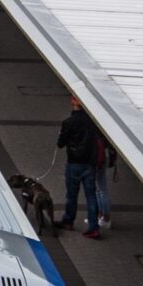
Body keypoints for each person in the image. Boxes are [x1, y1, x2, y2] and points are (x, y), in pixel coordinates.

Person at [55, 99, 108, 238]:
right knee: (91, 196)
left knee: (71, 195)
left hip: (74, 163)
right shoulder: (92, 122)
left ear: (73, 104)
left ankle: (68, 220)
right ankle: (93, 226)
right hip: (89, 164)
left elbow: (60, 143)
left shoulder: (68, 122)